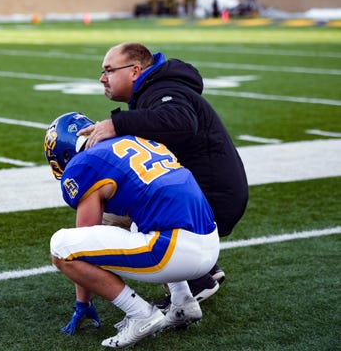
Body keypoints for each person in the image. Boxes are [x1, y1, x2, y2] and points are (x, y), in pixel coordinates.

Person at [78, 42, 248, 308]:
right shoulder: (155, 90)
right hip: (214, 193)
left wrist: (117, 124)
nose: (102, 78)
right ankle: (202, 269)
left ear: (135, 71)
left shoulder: (163, 90)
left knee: (114, 220)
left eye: (109, 70)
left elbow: (179, 122)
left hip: (212, 198)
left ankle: (192, 283)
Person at [44, 112, 220, 348]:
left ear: (64, 152)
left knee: (61, 245)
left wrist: (82, 303)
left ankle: (141, 314)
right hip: (209, 243)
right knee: (140, 217)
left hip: (174, 251)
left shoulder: (82, 164)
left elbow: (82, 241)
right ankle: (183, 301)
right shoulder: (137, 141)